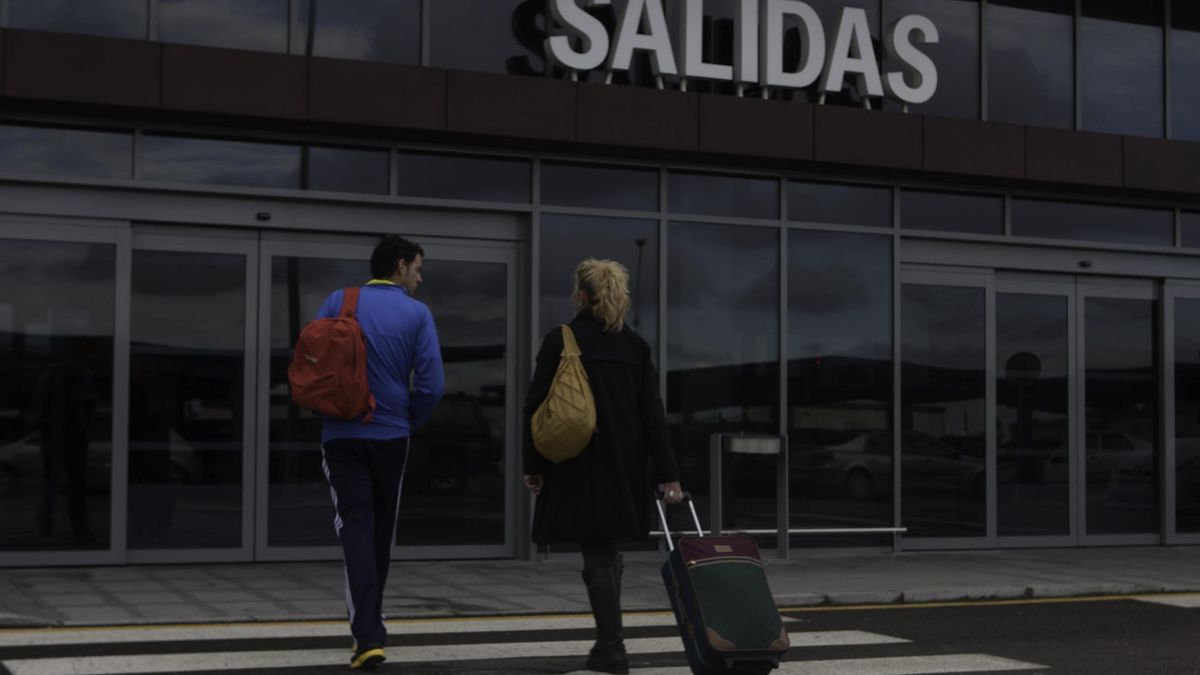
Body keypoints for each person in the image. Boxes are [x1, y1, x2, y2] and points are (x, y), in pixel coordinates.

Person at [522, 258, 683, 675]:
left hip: (577, 463)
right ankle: (607, 643)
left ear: (581, 294)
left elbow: (536, 406)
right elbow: (653, 415)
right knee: (606, 545)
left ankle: (612, 647)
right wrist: (668, 474)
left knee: (597, 547)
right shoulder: (634, 345)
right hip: (625, 465)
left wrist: (533, 464)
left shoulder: (562, 339)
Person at [315, 234, 444, 670]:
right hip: (391, 436)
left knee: (355, 526)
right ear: (401, 266)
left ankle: (368, 631)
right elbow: (432, 384)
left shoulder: (338, 300)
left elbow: (313, 364)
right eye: (419, 269)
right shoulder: (416, 313)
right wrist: (411, 419)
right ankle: (371, 625)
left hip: (341, 435)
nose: (420, 279)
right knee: (380, 531)